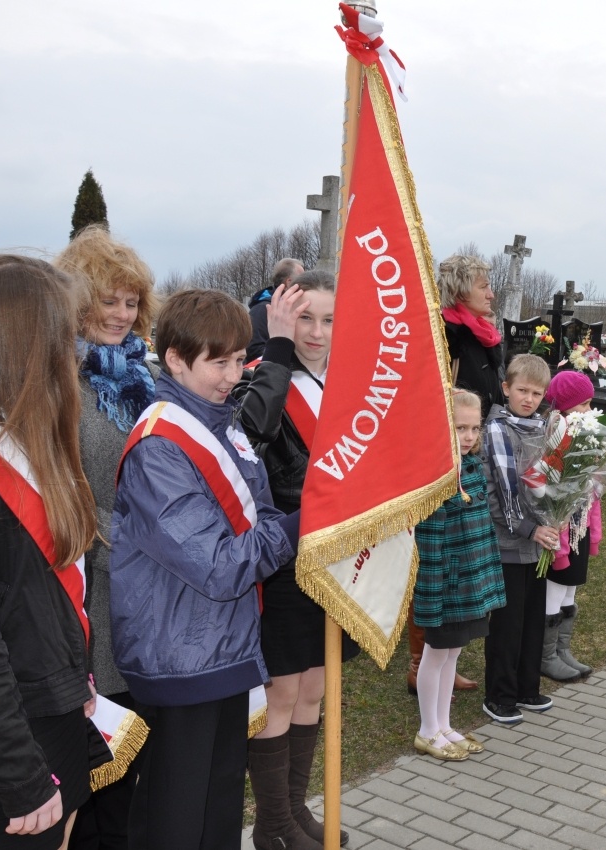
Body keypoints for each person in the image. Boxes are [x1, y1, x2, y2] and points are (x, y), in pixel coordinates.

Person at [111, 289, 300, 850]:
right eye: (219, 362)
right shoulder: (160, 446)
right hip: (179, 655)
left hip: (226, 646)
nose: (233, 376)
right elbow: (218, 565)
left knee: (218, 810)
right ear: (174, 359)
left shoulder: (225, 425)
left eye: (240, 359)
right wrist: (303, 523)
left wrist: (285, 525)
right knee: (175, 816)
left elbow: (261, 516)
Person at [0, 256, 99, 850]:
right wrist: (21, 777)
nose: (76, 356)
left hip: (48, 711)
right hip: (3, 750)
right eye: (65, 338)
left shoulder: (13, 431)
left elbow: (40, 589)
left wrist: (74, 677)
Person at [233, 271, 359, 849]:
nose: (317, 331)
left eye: (329, 319)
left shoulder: (354, 383)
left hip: (339, 559)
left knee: (314, 688)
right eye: (304, 317)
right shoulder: (263, 375)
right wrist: (278, 351)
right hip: (285, 559)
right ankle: (272, 824)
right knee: (281, 696)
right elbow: (249, 439)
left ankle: (294, 810)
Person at [54, 226, 159, 850]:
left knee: (130, 772)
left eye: (131, 301)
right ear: (75, 302)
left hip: (146, 587)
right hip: (88, 585)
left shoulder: (144, 377)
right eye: (107, 300)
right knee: (93, 770)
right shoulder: (58, 380)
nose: (121, 314)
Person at [411, 389, 506, 760]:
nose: (469, 436)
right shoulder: (433, 474)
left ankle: (444, 725)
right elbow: (429, 539)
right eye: (459, 428)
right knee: (435, 654)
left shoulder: (472, 464)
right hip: (446, 582)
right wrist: (432, 593)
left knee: (453, 654)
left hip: (469, 577)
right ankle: (426, 730)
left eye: (474, 428)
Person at [481, 354, 558, 724]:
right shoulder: (496, 431)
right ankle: (499, 695)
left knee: (532, 620)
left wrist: (558, 515)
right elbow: (499, 494)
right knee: (507, 626)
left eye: (537, 393)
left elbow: (556, 481)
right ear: (506, 388)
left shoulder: (543, 428)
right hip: (509, 544)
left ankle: (527, 686)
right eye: (522, 391)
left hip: (538, 543)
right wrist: (530, 528)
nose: (529, 399)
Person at [539, 370, 600, 680]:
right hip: (559, 526)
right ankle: (546, 655)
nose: (589, 411)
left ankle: (562, 650)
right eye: (583, 405)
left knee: (570, 589)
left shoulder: (582, 432)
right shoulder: (555, 433)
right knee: (555, 586)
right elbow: (548, 480)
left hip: (578, 523)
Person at [439, 254, 504, 417]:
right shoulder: (445, 338)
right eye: (483, 287)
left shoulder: (485, 334)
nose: (491, 295)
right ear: (460, 292)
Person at [247, 258, 304, 362]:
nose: (304, 285)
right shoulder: (262, 309)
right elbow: (254, 349)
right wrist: (284, 354)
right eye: (301, 280)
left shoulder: (294, 308)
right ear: (289, 282)